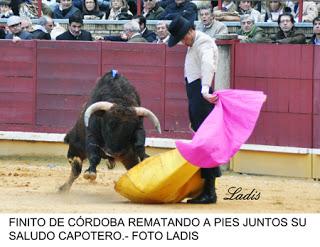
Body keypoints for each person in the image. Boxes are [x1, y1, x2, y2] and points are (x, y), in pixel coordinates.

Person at [167, 16, 220, 204]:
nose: (182, 42)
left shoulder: (204, 42)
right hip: (196, 96)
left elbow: (208, 64)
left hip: (200, 95)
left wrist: (205, 88)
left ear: (190, 31)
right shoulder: (194, 43)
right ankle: (206, 189)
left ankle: (209, 191)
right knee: (202, 139)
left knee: (205, 142)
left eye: (183, 37)